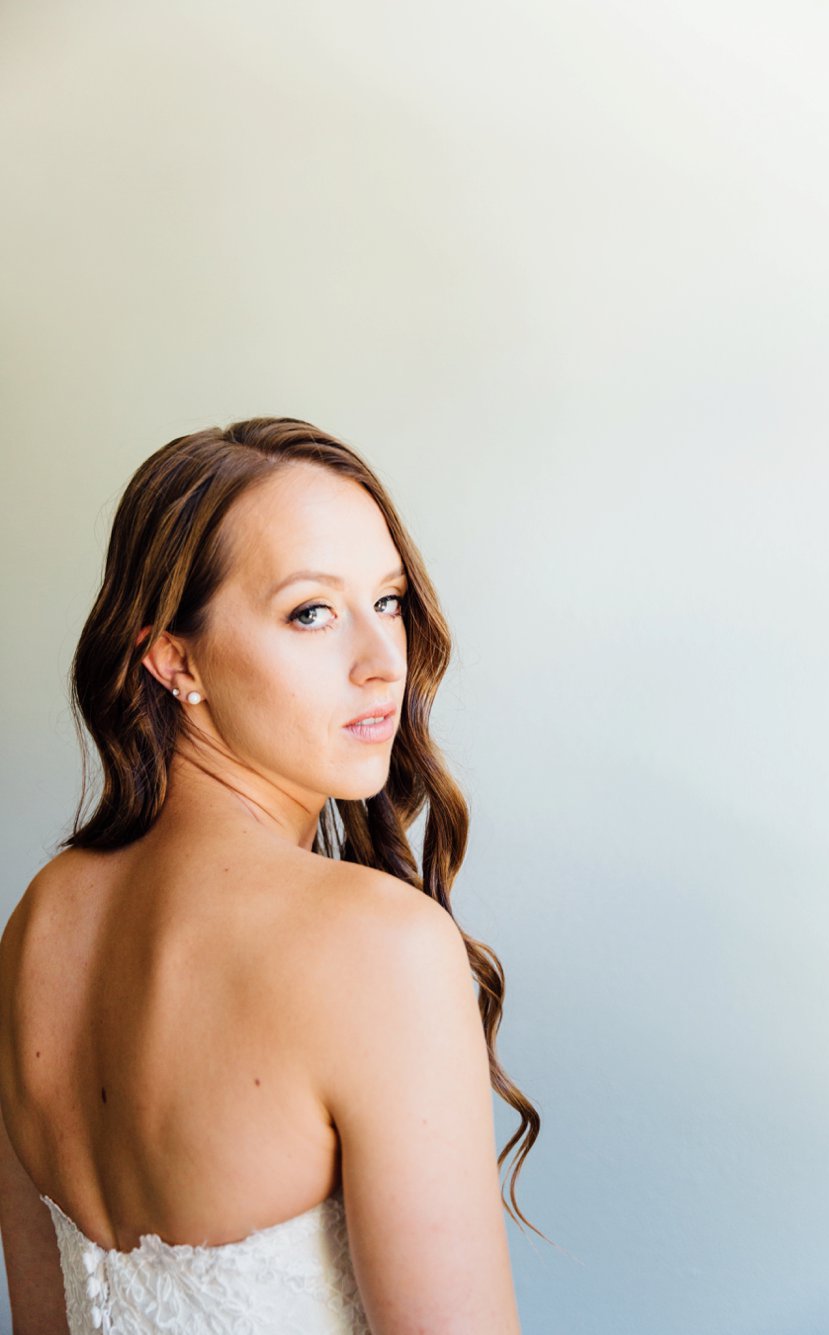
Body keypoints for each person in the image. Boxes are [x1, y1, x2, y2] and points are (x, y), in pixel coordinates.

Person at [0, 416, 542, 1333]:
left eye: (389, 600)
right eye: (311, 613)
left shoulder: (37, 924)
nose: (384, 664)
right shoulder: (379, 946)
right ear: (175, 660)